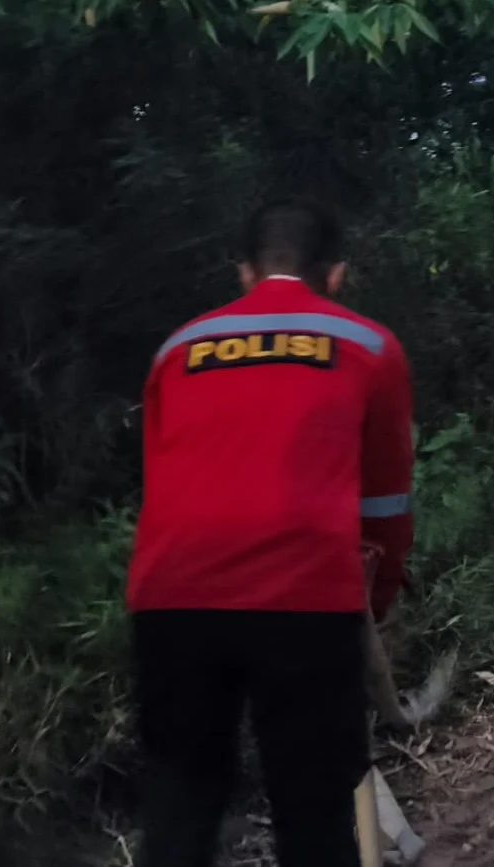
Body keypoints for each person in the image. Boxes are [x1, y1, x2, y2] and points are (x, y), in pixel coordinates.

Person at [127, 199, 415, 866]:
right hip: (305, 602)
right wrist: (376, 598)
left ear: (244, 272)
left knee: (179, 806)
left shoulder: (178, 347)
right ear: (335, 274)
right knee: (312, 811)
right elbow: (386, 499)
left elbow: (161, 481)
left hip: (172, 600)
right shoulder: (369, 346)